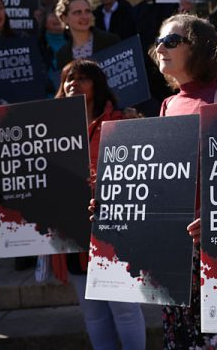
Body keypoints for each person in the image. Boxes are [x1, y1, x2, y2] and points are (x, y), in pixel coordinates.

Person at [149, 14, 217, 348]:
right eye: (158, 41)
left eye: (172, 41)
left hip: (215, 251)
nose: (160, 48)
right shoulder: (167, 104)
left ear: (200, 49)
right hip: (175, 254)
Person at [53, 59, 146, 350]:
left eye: (82, 78)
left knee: (125, 308)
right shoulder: (49, 126)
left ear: (98, 85)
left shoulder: (120, 119)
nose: (73, 84)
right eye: (69, 79)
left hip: (114, 228)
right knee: (92, 311)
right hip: (73, 230)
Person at [54, 0, 120, 70]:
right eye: (78, 12)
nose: (84, 17)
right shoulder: (62, 55)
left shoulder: (110, 41)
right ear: (64, 18)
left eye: (87, 11)